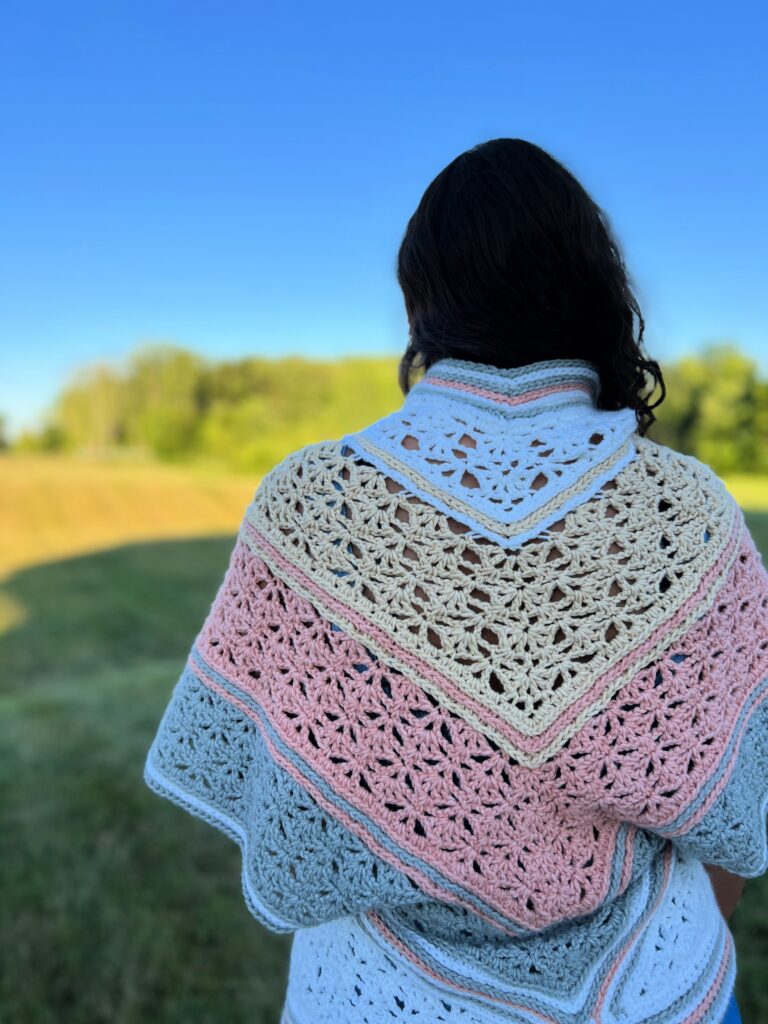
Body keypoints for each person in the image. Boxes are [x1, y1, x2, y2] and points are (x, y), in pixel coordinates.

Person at [144, 139, 766, 1024]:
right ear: (596, 289)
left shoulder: (312, 500)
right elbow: (735, 806)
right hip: (663, 989)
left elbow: (290, 804)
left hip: (378, 998)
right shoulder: (686, 507)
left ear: (422, 304)